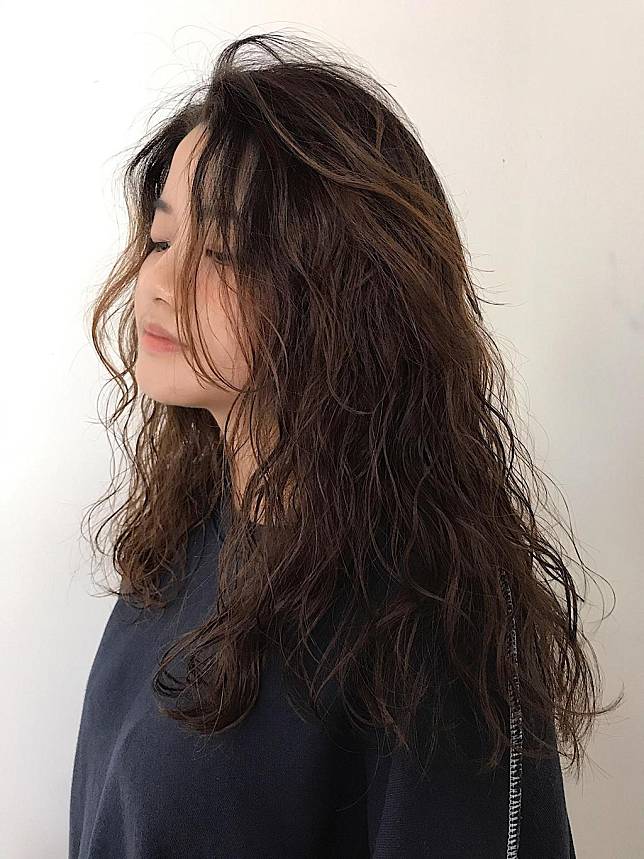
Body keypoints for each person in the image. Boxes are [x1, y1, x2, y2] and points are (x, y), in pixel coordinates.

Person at [69, 31, 619, 858]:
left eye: (222, 251)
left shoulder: (424, 617)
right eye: (161, 238)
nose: (157, 282)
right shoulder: (182, 540)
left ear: (343, 293)